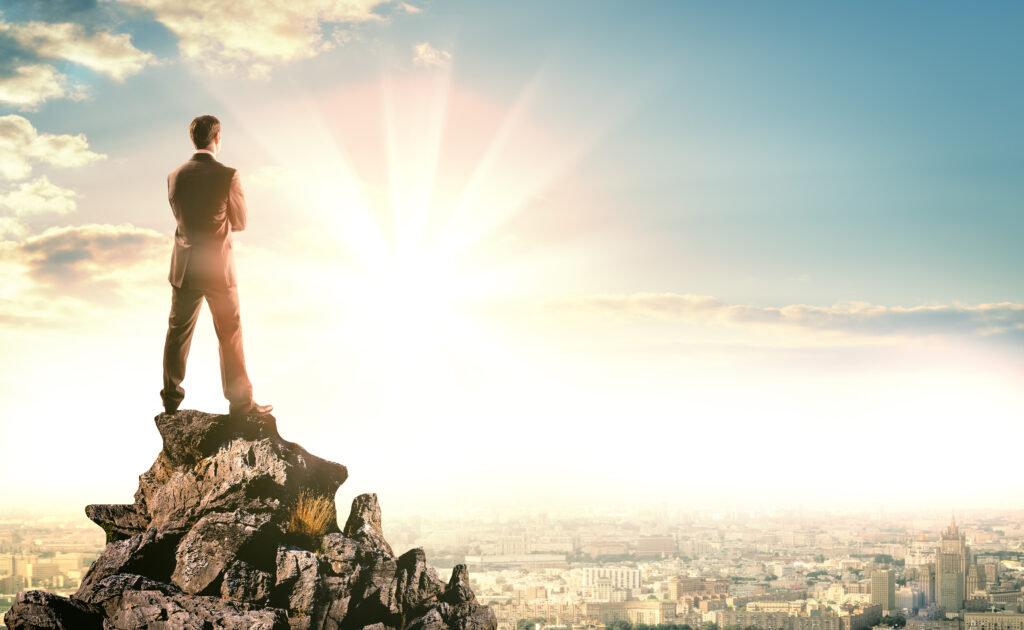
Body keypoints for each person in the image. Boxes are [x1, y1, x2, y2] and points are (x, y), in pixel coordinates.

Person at [159, 115, 272, 417]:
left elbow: (182, 217)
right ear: (217, 138)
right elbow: (241, 222)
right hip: (218, 269)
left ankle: (171, 401)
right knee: (229, 333)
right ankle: (241, 403)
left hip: (184, 267)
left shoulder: (174, 176)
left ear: (193, 140)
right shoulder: (229, 175)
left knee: (177, 332)